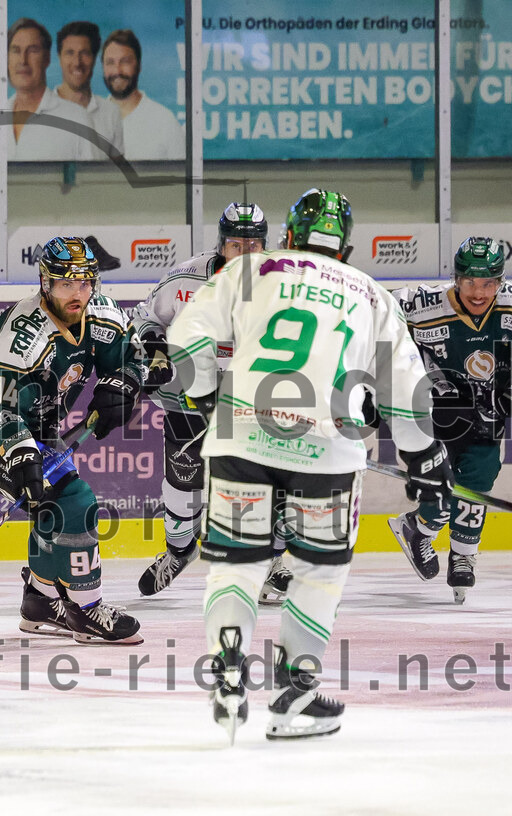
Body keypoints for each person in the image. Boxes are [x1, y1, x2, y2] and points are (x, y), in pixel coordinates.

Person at [167, 189, 452, 742]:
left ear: (289, 237)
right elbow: (408, 393)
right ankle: (292, 696)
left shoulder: (249, 269)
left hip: (240, 433)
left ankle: (228, 668)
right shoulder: (369, 292)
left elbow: (185, 339)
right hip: (328, 444)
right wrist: (424, 457)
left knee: (236, 564)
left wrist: (206, 396)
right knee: (318, 574)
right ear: (345, 248)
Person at [0, 236, 146, 643]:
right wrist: (21, 456)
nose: (78, 293)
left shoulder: (103, 316)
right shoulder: (22, 334)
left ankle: (40, 600)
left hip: (41, 427)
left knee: (50, 506)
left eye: (85, 282)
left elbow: (133, 357)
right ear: (45, 283)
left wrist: (124, 385)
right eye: (66, 283)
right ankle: (86, 609)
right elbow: (1, 410)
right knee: (74, 500)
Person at [133, 203, 292, 605]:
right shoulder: (186, 278)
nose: (244, 252)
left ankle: (270, 560)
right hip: (189, 397)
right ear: (222, 244)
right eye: (236, 244)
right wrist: (155, 351)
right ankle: (179, 550)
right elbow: (146, 318)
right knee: (184, 480)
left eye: (253, 244)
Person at [389, 237, 510, 604]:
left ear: (500, 281)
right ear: (456, 279)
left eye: (489, 282)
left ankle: (463, 555)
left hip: (487, 412)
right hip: (432, 412)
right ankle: (419, 528)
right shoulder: (418, 303)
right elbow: (373, 321)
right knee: (439, 489)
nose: (479, 292)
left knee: (478, 481)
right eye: (471, 281)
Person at [8, 18, 98, 161]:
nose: (23, 60)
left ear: (47, 58)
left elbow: (93, 182)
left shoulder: (77, 120)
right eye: (16, 51)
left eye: (32, 50)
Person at [102, 29, 185, 161]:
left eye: (125, 61)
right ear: (103, 68)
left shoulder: (165, 121)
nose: (117, 70)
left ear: (139, 65)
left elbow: (184, 179)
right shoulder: (90, 121)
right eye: (110, 63)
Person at [54, 21, 124, 159]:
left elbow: (118, 175)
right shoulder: (40, 111)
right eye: (69, 53)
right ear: (59, 58)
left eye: (84, 53)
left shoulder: (111, 113)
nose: (77, 62)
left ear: (94, 58)